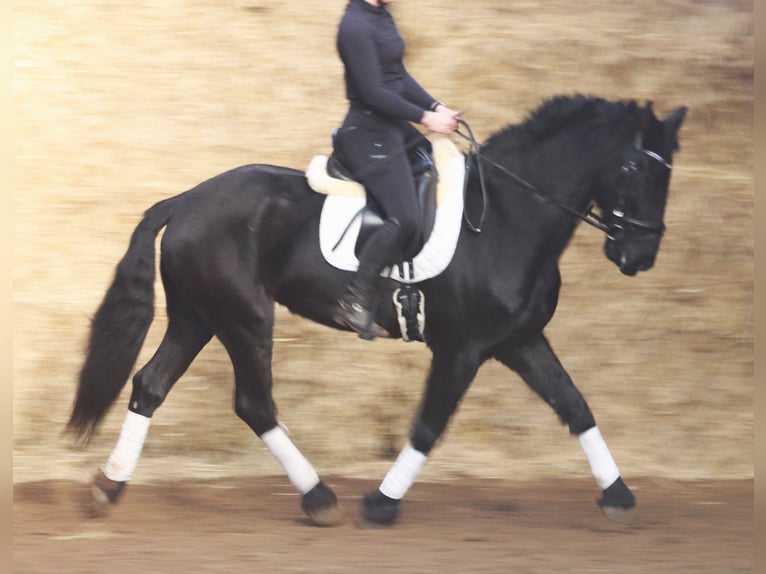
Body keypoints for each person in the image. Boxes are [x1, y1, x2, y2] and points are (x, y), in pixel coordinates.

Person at [332, 0, 460, 340]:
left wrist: (434, 105)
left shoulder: (381, 15)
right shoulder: (354, 26)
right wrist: (427, 118)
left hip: (392, 127)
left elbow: (397, 76)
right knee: (405, 217)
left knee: (443, 170)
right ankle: (354, 300)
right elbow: (374, 92)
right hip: (367, 132)